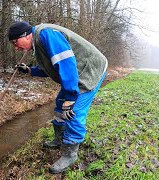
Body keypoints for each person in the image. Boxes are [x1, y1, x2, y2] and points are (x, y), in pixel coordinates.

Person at [8, 21, 108, 174]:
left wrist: (70, 98)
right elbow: (50, 68)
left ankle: (70, 153)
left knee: (73, 111)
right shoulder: (38, 41)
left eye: (16, 42)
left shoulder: (47, 35)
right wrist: (29, 70)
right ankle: (59, 138)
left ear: (26, 35)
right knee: (60, 103)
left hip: (90, 71)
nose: (16, 47)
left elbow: (66, 64)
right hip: (76, 72)